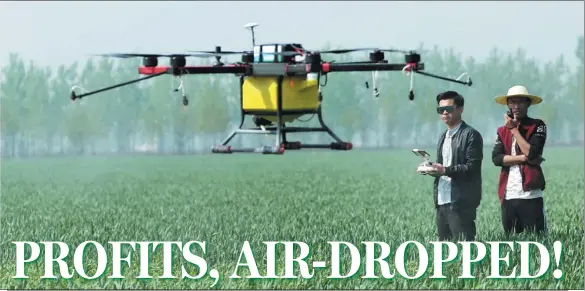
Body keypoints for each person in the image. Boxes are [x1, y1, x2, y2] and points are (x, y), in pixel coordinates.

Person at [427, 91, 484, 241]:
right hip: (441, 201)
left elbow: (472, 167)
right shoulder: (443, 136)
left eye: (449, 109)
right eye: (441, 110)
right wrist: (432, 168)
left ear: (460, 109)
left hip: (461, 203)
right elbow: (443, 166)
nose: (445, 113)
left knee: (465, 249)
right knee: (445, 251)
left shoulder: (471, 135)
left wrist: (444, 170)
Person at [492, 85, 548, 236]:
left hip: (531, 195)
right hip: (508, 194)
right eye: (512, 102)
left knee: (537, 239)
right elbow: (497, 158)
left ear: (528, 104)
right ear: (508, 105)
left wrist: (514, 130)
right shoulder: (501, 131)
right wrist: (521, 158)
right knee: (511, 242)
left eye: (521, 102)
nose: (516, 106)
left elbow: (531, 152)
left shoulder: (537, 126)